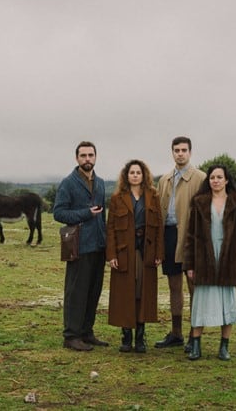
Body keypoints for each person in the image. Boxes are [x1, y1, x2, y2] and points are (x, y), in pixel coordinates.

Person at [183, 164, 236, 361]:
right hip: (204, 257)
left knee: (227, 303)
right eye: (212, 177)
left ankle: (224, 347)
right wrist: (189, 264)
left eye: (219, 177)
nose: (215, 180)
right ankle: (196, 345)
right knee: (201, 301)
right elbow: (191, 235)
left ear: (226, 180)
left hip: (229, 257)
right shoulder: (199, 202)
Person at [53, 141, 109, 351]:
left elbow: (102, 215)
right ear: (77, 158)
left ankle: (87, 332)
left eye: (91, 155)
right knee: (76, 291)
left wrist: (106, 241)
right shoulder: (68, 183)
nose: (87, 159)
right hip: (77, 245)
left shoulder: (101, 183)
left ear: (96, 157)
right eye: (83, 155)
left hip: (98, 245)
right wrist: (85, 214)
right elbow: (59, 213)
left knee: (93, 291)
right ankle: (71, 336)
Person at [154, 136, 206, 352]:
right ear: (172, 152)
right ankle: (176, 333)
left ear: (190, 152)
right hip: (168, 235)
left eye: (184, 150)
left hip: (190, 237)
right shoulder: (165, 179)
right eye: (176, 150)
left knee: (195, 286)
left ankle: (195, 336)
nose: (180, 153)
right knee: (174, 286)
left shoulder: (201, 179)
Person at [106, 160, 164, 353]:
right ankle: (126, 337)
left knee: (142, 294)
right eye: (132, 172)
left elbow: (159, 228)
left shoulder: (153, 196)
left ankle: (140, 338)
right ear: (126, 175)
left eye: (138, 172)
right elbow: (111, 228)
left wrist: (158, 253)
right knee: (125, 294)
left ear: (143, 175)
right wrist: (111, 255)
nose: (135, 175)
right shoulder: (117, 198)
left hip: (145, 252)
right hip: (124, 253)